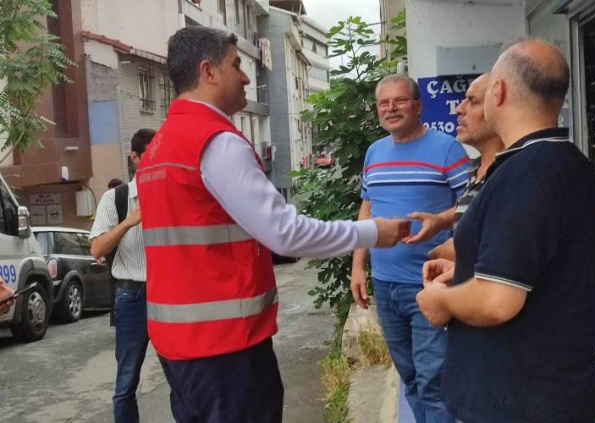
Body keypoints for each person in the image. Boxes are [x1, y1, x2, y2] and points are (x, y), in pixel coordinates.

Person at [135, 27, 409, 423]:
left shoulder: (159, 147)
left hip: (179, 348)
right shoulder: (215, 142)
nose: (246, 77)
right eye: (237, 65)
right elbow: (285, 232)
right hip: (226, 349)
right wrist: (372, 232)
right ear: (208, 72)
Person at [418, 39, 595, 423]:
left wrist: (442, 302)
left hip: (518, 404)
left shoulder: (528, 171)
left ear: (498, 91)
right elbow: (544, 269)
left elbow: (496, 301)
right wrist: (469, 270)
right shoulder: (567, 162)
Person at [350, 74, 471, 423]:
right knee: (411, 378)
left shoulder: (447, 149)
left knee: (434, 380)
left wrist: (439, 219)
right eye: (384, 103)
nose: (391, 109)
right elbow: (367, 210)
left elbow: (474, 206)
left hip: (431, 284)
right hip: (385, 286)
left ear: (418, 106)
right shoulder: (374, 152)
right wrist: (359, 267)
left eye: (400, 101)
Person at [90, 129, 180, 423]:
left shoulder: (173, 194)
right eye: (151, 156)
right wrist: (129, 221)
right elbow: (97, 248)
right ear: (135, 157)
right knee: (126, 381)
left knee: (183, 376)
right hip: (131, 295)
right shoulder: (115, 199)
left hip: (169, 293)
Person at [408, 73, 504, 261]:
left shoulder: (511, 172)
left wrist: (460, 252)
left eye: (473, 101)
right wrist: (440, 221)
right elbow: (479, 210)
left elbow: (510, 246)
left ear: (500, 110)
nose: (459, 109)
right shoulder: (476, 168)